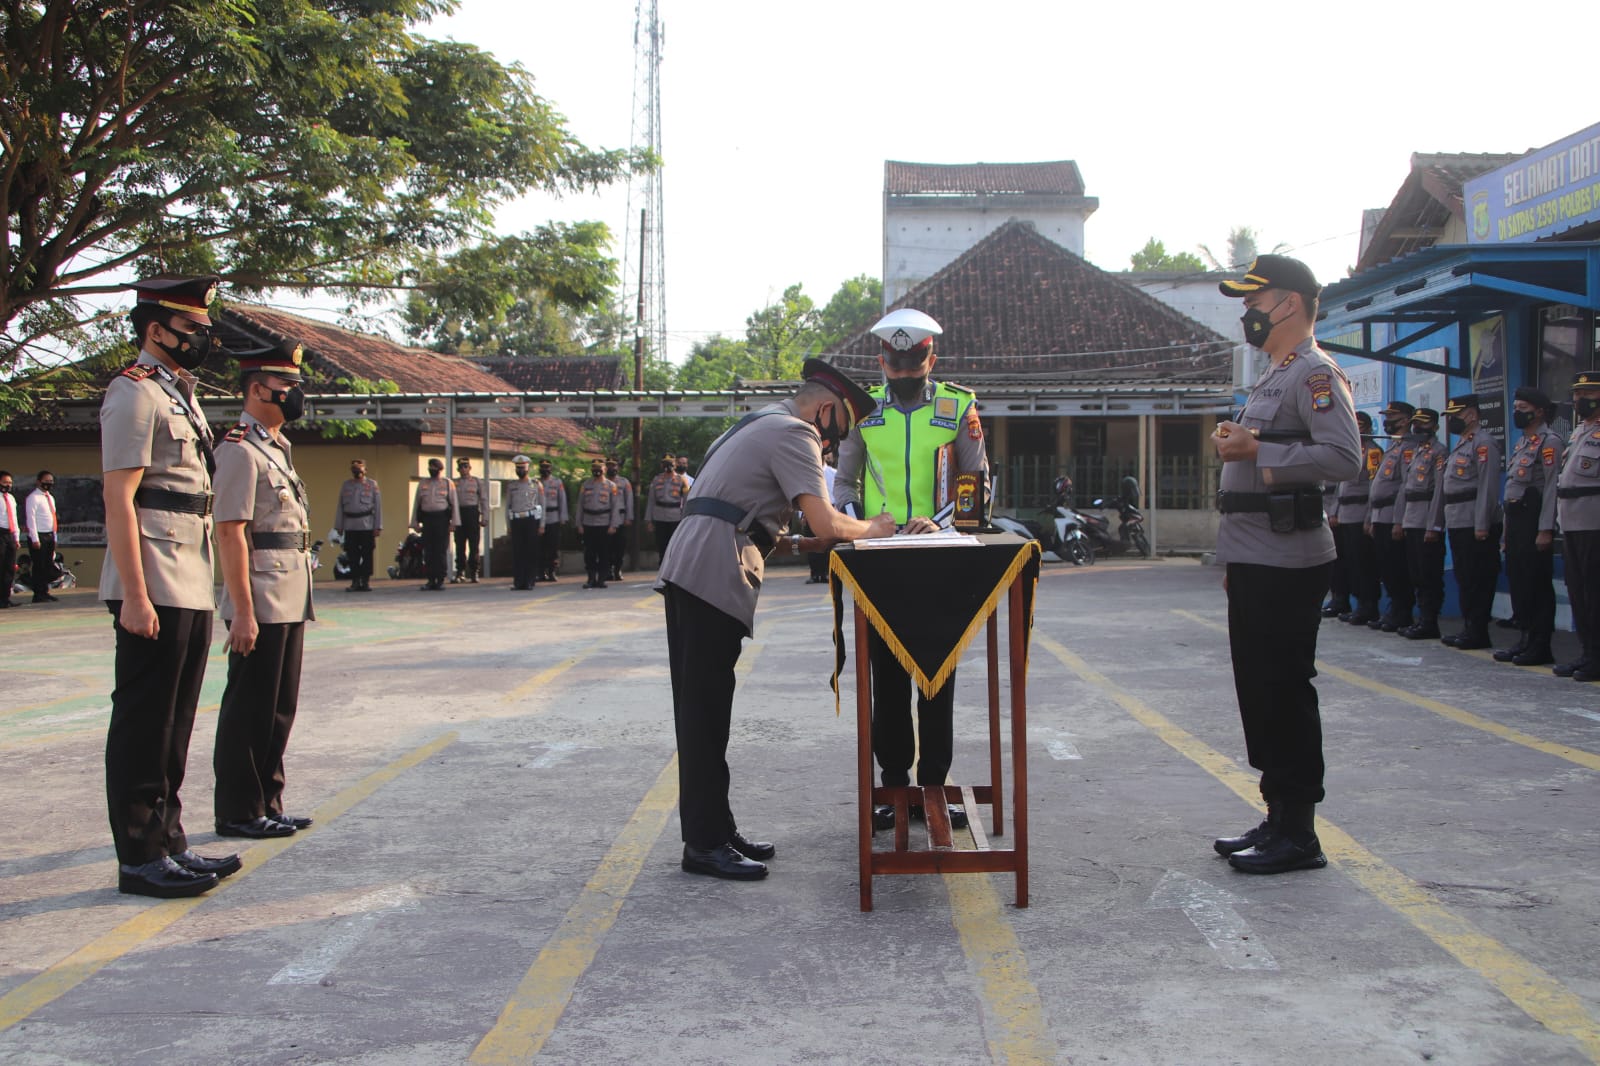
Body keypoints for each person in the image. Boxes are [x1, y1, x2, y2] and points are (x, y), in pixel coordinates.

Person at [657, 358, 897, 880]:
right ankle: (702, 844)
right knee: (703, 714)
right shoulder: (796, 434)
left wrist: (808, 538)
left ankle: (718, 829)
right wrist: (876, 527)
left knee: (708, 706)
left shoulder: (759, 420)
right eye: (840, 429)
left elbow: (761, 519)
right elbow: (827, 520)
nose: (833, 444)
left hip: (700, 563)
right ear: (827, 409)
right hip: (711, 570)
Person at [1210, 255, 1361, 876]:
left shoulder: (1316, 373)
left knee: (1284, 690)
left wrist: (1260, 446)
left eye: (1256, 300)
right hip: (1252, 554)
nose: (1248, 313)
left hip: (1288, 558)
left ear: (1289, 304)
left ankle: (1300, 832)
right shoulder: (1274, 375)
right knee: (1259, 690)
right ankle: (1277, 817)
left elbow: (1344, 457)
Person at [100, 274, 239, 898]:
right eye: (192, 330)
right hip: (152, 573)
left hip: (188, 570)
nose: (201, 341)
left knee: (177, 719)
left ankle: (170, 841)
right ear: (155, 330)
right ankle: (139, 857)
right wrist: (132, 593)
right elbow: (120, 500)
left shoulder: (179, 394)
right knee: (145, 720)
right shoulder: (133, 395)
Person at [834, 307, 988, 832]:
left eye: (913, 362)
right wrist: (863, 528)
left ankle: (935, 787)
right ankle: (894, 785)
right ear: (882, 360)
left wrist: (939, 522)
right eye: (895, 364)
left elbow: (976, 480)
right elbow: (843, 485)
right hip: (880, 561)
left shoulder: (957, 405)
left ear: (930, 358)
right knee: (889, 678)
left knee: (937, 676)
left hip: (940, 555)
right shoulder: (863, 412)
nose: (903, 372)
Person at [212, 340, 316, 840]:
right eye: (287, 386)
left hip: (290, 590)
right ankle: (238, 810)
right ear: (257, 389)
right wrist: (242, 612)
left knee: (279, 706)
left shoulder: (275, 446)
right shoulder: (237, 449)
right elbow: (231, 532)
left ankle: (269, 800)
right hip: (261, 594)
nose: (295, 395)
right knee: (249, 706)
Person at [1496, 387, 1563, 666]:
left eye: (1523, 407)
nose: (1517, 412)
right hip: (1516, 522)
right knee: (1520, 582)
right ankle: (1525, 638)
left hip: (1534, 520)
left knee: (1537, 584)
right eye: (1516, 407)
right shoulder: (1523, 443)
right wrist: (1505, 534)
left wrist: (1546, 528)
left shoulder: (1550, 442)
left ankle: (1539, 644)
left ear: (1540, 411)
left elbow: (1551, 489)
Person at [1435, 394, 1503, 650]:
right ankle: (1469, 627)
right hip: (1458, 520)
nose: (1452, 420)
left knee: (1478, 578)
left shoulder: (1483, 443)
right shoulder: (1461, 444)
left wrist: (1482, 523)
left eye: (1456, 415)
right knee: (1465, 577)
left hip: (1475, 521)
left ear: (1472, 415)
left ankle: (1478, 630)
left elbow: (1488, 485)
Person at [1554, 371, 1600, 682]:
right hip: (1572, 523)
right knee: (1579, 592)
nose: (1578, 400)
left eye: (1586, 394)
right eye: (1576, 394)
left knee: (1595, 594)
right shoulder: (1579, 433)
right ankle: (1587, 652)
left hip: (1594, 523)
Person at [1363, 401, 1419, 632]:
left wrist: (1398, 520)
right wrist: (1370, 517)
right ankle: (1393, 610)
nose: (1387, 421)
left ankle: (1402, 612)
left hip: (1393, 516)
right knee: (1385, 567)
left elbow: (1404, 487)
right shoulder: (1392, 447)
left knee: (1397, 568)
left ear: (1405, 420)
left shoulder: (1409, 448)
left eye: (1392, 417)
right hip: (1380, 515)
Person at [1397, 409, 1448, 640]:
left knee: (1429, 574)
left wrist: (1434, 525)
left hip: (1426, 518)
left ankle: (1429, 621)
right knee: (1415, 572)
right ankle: (1421, 619)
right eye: (1416, 424)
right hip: (1412, 518)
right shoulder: (1417, 452)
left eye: (1424, 424)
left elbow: (1439, 490)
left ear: (1435, 427)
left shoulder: (1439, 452)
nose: (1418, 428)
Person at [1331, 411, 1383, 625]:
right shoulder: (1348, 452)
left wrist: (1370, 518)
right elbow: (1339, 487)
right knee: (1347, 562)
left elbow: (1375, 488)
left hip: (1360, 513)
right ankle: (1349, 602)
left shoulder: (1372, 453)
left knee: (1364, 564)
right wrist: (1334, 512)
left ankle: (1367, 606)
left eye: (1360, 426)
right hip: (1344, 514)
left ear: (1369, 429)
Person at [411, 458, 459, 590]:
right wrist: (414, 522)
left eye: (434, 467)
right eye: (430, 467)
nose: (431, 469)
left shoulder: (447, 483)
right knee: (429, 551)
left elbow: (454, 503)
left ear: (439, 469)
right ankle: (430, 579)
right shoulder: (423, 483)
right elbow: (417, 503)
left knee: (440, 551)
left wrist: (454, 522)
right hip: (427, 520)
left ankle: (440, 579)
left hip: (441, 519)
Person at [335, 459, 382, 592]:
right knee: (352, 555)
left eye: (360, 470)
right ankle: (355, 581)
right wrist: (339, 525)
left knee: (367, 554)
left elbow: (378, 507)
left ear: (365, 470)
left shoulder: (372, 485)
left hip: (367, 525)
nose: (357, 472)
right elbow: (340, 506)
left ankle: (365, 581)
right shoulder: (346, 485)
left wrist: (378, 526)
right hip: (350, 526)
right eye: (355, 470)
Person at [577, 459, 622, 588]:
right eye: (594, 468)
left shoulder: (611, 486)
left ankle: (601, 579)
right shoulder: (586, 485)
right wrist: (579, 524)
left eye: (599, 468)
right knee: (589, 553)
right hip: (588, 523)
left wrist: (613, 525)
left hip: (604, 523)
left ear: (604, 470)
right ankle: (591, 578)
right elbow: (580, 505)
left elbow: (615, 506)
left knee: (604, 553)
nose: (597, 471)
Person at [505, 455, 543, 590]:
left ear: (528, 468)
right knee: (517, 552)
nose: (520, 470)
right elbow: (507, 506)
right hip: (516, 520)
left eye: (523, 468)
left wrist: (542, 525)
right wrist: (508, 525)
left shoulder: (536, 484)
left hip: (530, 520)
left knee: (530, 552)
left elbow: (542, 505)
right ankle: (518, 581)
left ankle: (529, 581)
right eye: (518, 468)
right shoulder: (511, 486)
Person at [644, 453, 690, 563]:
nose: (668, 466)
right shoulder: (656, 480)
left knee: (674, 545)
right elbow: (651, 500)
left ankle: (672, 568)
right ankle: (662, 567)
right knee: (661, 545)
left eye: (670, 464)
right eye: (665, 463)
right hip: (659, 516)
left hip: (675, 517)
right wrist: (649, 520)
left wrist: (685, 520)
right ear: (661, 465)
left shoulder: (682, 480)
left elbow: (686, 501)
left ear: (675, 464)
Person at [24, 470, 60, 603]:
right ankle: (38, 594)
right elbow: (31, 519)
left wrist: (55, 537)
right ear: (38, 481)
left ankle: (45, 592)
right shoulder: (33, 498)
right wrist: (35, 538)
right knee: (39, 566)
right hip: (39, 536)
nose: (48, 484)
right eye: (46, 481)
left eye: (51, 481)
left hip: (49, 535)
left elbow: (53, 518)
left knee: (47, 565)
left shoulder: (50, 497)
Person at [453, 457, 489, 583]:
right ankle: (460, 572)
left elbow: (484, 499)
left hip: (472, 513)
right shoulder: (454, 483)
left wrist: (485, 517)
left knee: (474, 545)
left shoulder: (476, 482)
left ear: (469, 468)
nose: (463, 469)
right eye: (461, 467)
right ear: (458, 469)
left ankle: (474, 572)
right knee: (459, 545)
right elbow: (450, 502)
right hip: (459, 514)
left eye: (465, 467)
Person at [807, 452, 839, 583]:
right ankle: (815, 574)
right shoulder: (806, 474)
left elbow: (837, 495)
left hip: (829, 511)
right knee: (811, 545)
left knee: (828, 545)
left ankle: (827, 572)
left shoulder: (833, 473)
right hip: (810, 512)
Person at [536, 459, 568, 582]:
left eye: (547, 467)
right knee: (540, 547)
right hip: (539, 518)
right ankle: (540, 572)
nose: (545, 470)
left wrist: (563, 517)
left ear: (551, 469)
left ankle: (552, 571)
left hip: (553, 517)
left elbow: (562, 500)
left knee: (553, 546)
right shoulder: (536, 482)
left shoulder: (557, 482)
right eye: (542, 467)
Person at [605, 457, 634, 581]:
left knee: (620, 546)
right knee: (607, 546)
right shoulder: (602, 482)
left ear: (618, 467)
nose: (612, 468)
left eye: (614, 466)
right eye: (609, 466)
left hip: (621, 518)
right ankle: (608, 569)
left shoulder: (624, 482)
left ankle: (618, 569)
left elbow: (629, 501)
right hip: (606, 519)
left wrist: (629, 517)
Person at [0, 471, 18, 609]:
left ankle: (5, 598)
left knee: (9, 568)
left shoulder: (11, 498)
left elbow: (14, 519)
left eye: (10, 483)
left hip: (9, 534)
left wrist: (16, 537)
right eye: (5, 482)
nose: (8, 485)